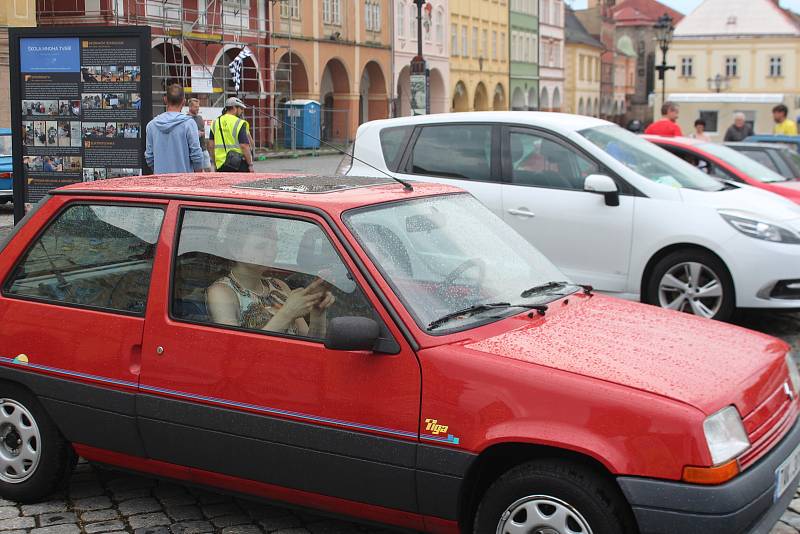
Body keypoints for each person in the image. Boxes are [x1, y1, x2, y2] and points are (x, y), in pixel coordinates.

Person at [206, 217, 335, 336]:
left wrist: (318, 312)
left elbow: (309, 343)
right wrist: (288, 312)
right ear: (236, 250)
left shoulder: (279, 286)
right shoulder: (221, 292)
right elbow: (233, 347)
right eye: (261, 246)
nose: (271, 251)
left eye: (274, 244)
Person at [144, 84, 204, 174]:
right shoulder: (189, 124)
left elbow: (149, 157)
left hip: (160, 182)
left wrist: (159, 170)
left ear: (165, 100)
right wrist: (197, 174)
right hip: (184, 182)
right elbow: (196, 154)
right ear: (183, 102)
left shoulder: (151, 126)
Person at [208, 97, 254, 172]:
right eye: (241, 108)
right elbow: (244, 146)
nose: (242, 111)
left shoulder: (215, 122)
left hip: (221, 165)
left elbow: (211, 146)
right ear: (234, 108)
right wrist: (250, 164)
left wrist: (215, 163)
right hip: (239, 164)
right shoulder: (239, 123)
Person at [187, 98, 212, 171]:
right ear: (190, 107)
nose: (197, 109)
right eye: (195, 107)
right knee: (197, 172)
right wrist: (196, 134)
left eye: (198, 107)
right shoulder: (186, 119)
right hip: (193, 151)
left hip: (203, 149)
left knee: (208, 170)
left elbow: (203, 133)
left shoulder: (200, 118)